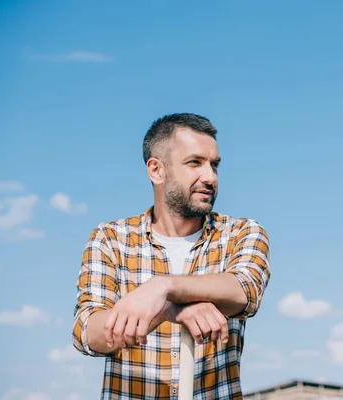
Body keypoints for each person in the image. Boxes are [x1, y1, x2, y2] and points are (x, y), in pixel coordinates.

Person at [72, 113, 271, 399]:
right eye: (194, 163)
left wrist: (162, 287)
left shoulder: (242, 234)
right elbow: (87, 332)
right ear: (156, 170)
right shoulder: (110, 240)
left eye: (214, 165)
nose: (210, 177)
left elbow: (245, 290)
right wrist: (168, 310)